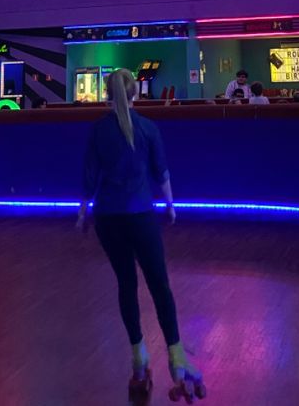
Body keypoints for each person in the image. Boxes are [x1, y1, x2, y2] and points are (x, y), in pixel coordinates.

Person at [77, 69, 205, 403]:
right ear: (136, 94)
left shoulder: (98, 130)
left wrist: (82, 211)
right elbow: (160, 171)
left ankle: (139, 356)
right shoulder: (149, 128)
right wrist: (171, 205)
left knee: (126, 284)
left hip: (108, 218)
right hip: (140, 216)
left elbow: (90, 176)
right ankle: (176, 355)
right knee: (159, 284)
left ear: (107, 93)